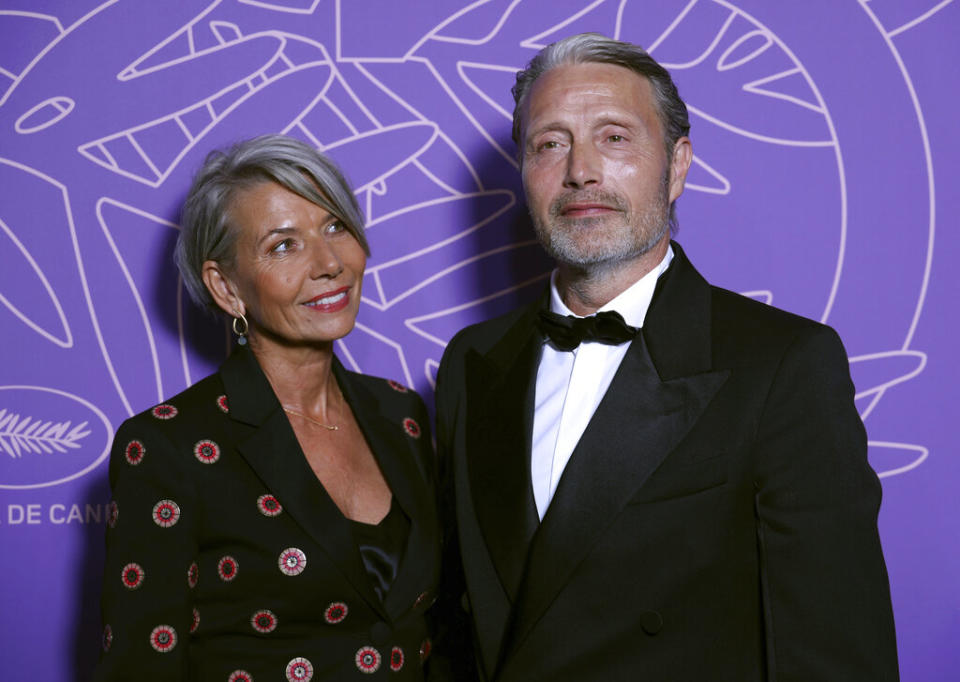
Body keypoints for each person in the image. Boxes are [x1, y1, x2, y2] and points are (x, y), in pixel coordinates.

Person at [434, 33, 899, 681]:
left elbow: (837, 654)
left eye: (615, 136)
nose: (581, 170)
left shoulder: (783, 365)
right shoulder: (470, 363)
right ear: (525, 172)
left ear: (677, 166)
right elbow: (454, 633)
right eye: (550, 143)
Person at [95, 135, 440, 680]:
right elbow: (139, 666)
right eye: (284, 245)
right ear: (227, 288)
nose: (329, 263)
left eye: (336, 227)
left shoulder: (402, 414)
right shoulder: (168, 447)